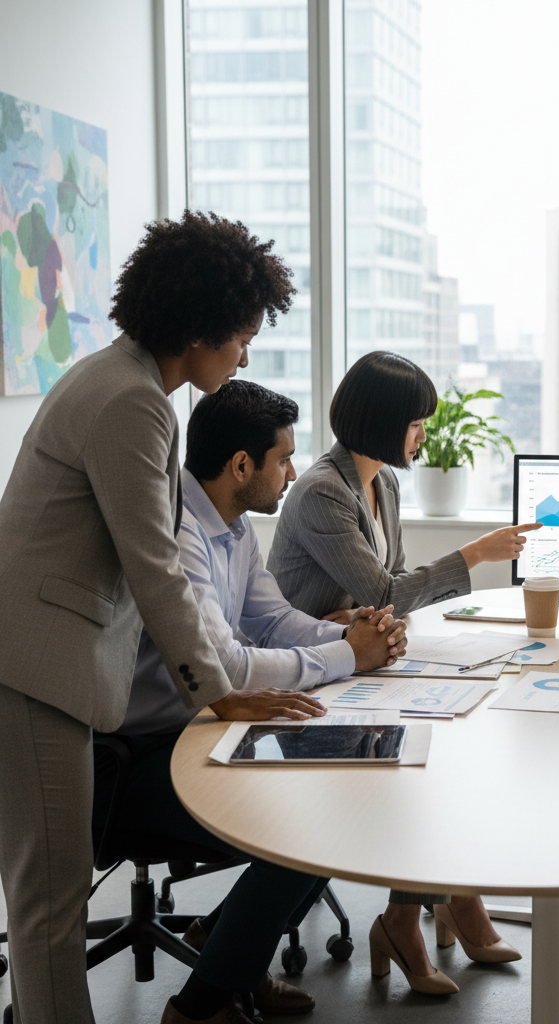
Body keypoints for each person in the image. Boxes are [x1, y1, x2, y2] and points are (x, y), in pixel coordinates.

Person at [0, 211, 322, 1024]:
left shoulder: (127, 386)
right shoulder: (131, 403)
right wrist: (219, 694)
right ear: (203, 325)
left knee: (54, 895)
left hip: (55, 668)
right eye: (243, 335)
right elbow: (157, 570)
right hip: (35, 668)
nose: (245, 354)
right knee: (50, 903)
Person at [104, 379, 407, 1021]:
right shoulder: (178, 532)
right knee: (310, 822)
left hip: (203, 729)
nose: (293, 473)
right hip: (140, 754)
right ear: (242, 465)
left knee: (353, 780)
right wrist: (348, 655)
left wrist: (354, 635)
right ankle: (201, 1005)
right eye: (284, 459)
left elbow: (271, 620)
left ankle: (228, 947)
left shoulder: (233, 523)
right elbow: (228, 668)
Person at [268, 350, 535, 992]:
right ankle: (421, 914)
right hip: (309, 672)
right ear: (386, 422)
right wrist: (473, 555)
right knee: (425, 763)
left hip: (360, 660)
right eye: (416, 422)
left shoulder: (381, 480)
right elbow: (391, 590)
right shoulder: (323, 492)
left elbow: (395, 594)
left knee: (453, 745)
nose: (423, 434)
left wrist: (382, 610)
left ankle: (434, 905)